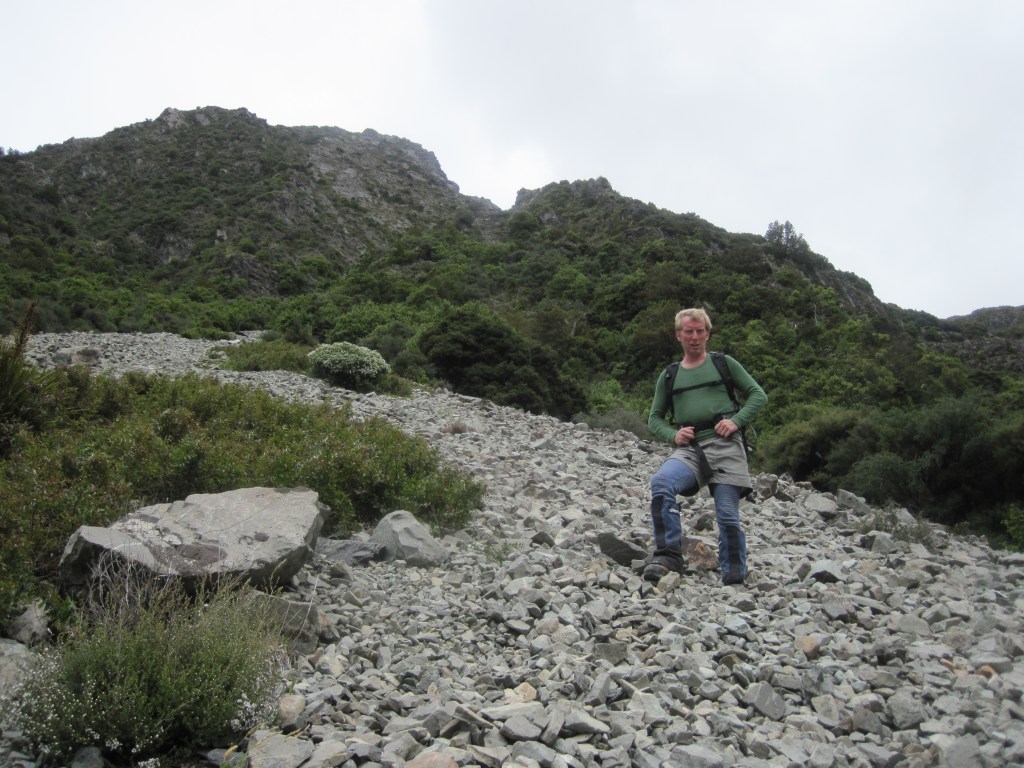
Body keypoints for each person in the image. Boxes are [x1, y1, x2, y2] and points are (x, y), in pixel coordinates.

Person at [644, 308, 767, 585]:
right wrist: (673, 436)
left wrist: (736, 421)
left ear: (707, 334)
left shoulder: (724, 363)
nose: (695, 337)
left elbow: (758, 395)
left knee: (727, 516)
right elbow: (654, 418)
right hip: (691, 449)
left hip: (726, 446)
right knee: (662, 482)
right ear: (679, 335)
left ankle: (734, 577)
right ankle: (668, 557)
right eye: (689, 331)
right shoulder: (669, 375)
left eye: (700, 331)